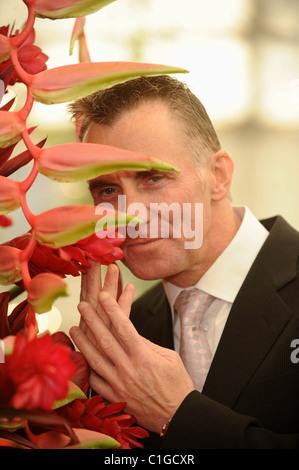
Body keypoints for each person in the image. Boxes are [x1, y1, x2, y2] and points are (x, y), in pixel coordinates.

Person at [68, 75, 299, 449]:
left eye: (154, 178)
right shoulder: (128, 329)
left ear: (218, 176)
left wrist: (178, 416)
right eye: (108, 190)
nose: (130, 215)